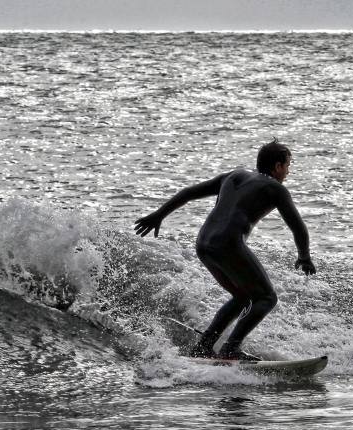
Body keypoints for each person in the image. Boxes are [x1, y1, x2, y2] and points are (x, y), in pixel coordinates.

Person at [134, 140, 316, 360]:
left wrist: (159, 215)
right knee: (266, 298)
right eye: (288, 165)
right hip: (228, 244)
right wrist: (304, 257)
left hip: (204, 243)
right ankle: (231, 348)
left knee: (242, 297)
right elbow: (299, 228)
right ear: (277, 166)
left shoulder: (234, 175)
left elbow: (189, 192)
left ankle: (204, 347)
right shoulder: (276, 189)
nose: (288, 171)